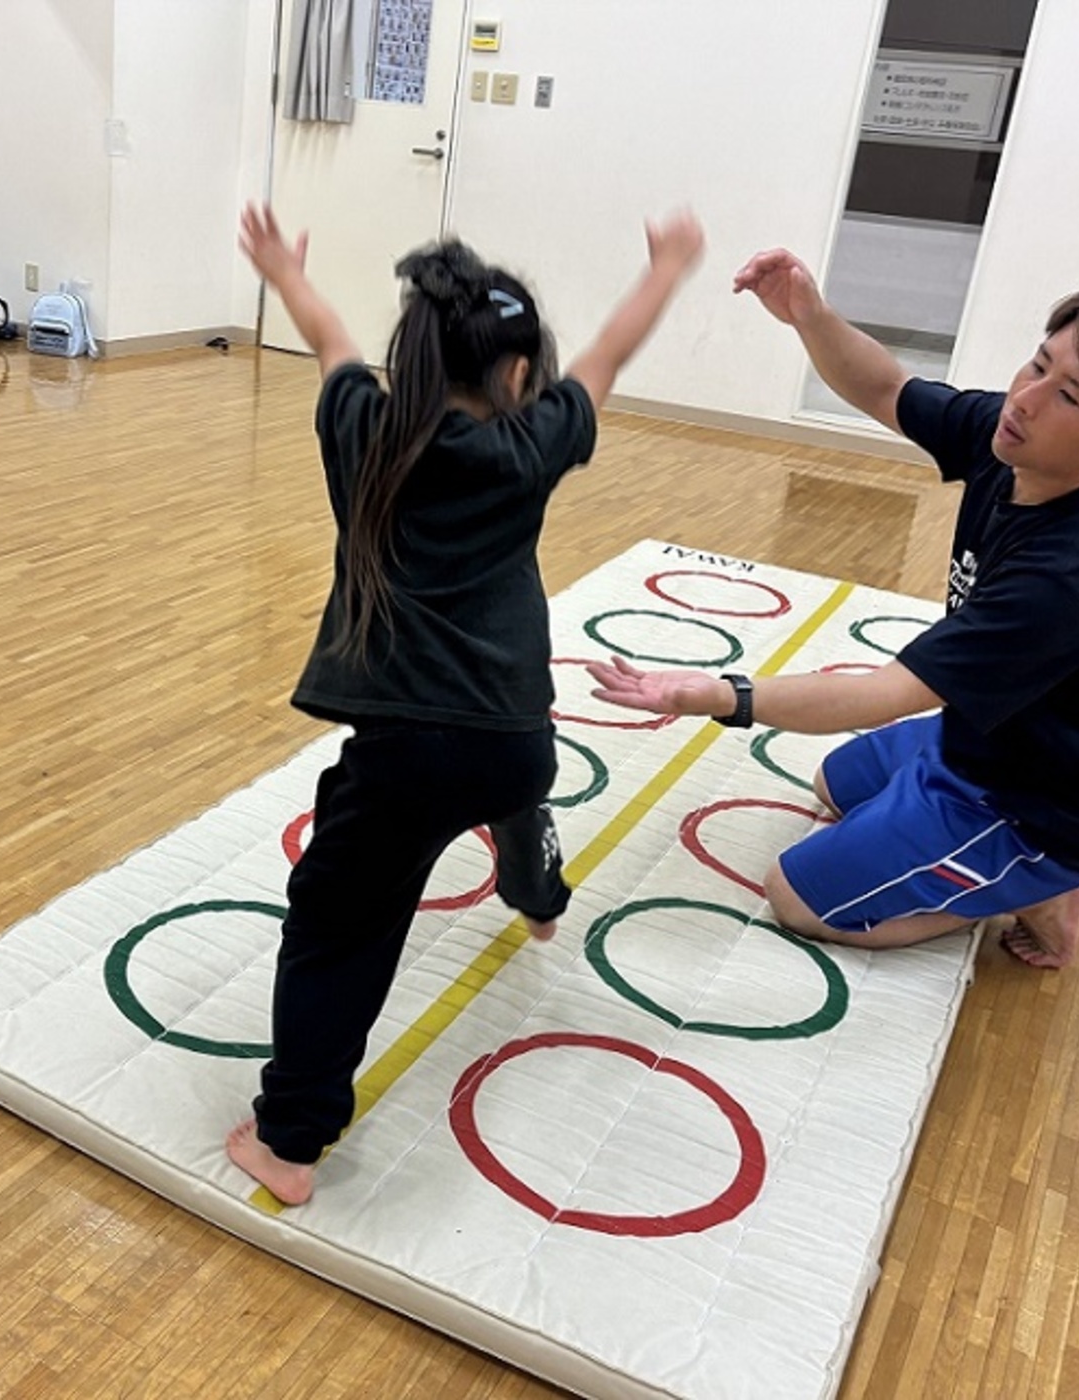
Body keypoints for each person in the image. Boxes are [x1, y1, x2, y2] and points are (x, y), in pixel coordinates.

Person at [227, 202, 704, 1206]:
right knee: (511, 792)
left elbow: (329, 338)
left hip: (404, 757)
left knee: (336, 927)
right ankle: (538, 900)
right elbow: (608, 356)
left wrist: (284, 270)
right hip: (515, 739)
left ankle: (288, 1141)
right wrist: (666, 268)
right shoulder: (531, 445)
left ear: (409, 357)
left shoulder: (361, 427)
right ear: (519, 375)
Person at [588, 249, 1079, 973]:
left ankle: (1043, 891)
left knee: (799, 897)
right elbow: (888, 388)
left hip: (1036, 810)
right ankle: (964, 841)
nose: (1025, 398)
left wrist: (722, 695)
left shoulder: (1069, 576)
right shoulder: (1018, 440)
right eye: (1039, 364)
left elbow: (884, 693)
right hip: (986, 737)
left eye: (1068, 396)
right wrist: (810, 315)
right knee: (834, 783)